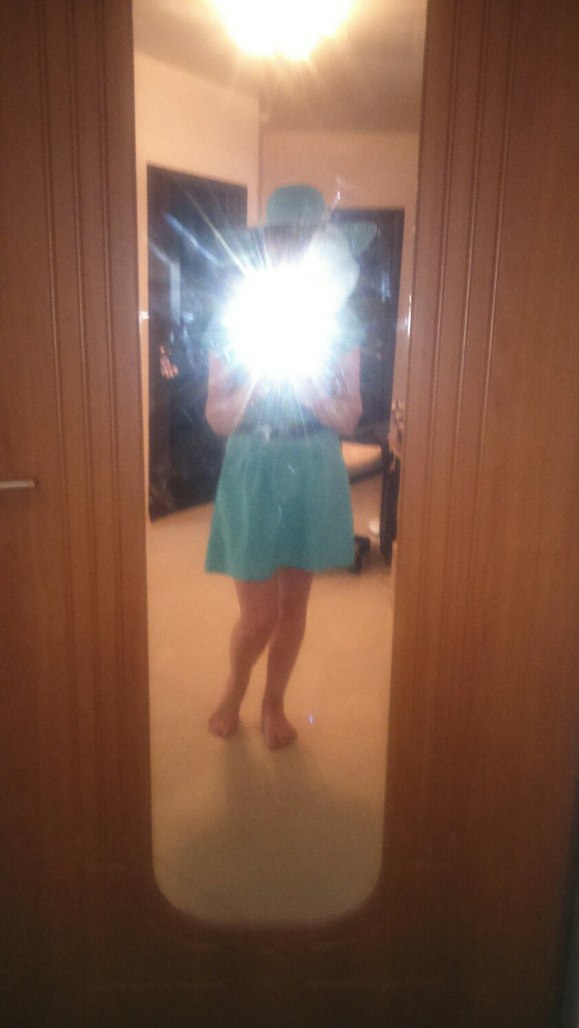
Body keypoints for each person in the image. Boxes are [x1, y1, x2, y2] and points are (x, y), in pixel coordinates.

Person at [203, 184, 369, 749]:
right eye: (282, 237)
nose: (293, 248)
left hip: (313, 463)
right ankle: (235, 687)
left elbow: (350, 415)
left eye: (306, 238)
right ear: (266, 243)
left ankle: (273, 703)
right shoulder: (236, 319)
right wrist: (257, 374)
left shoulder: (340, 323)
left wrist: (311, 390)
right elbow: (217, 418)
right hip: (252, 464)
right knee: (259, 614)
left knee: (293, 606)